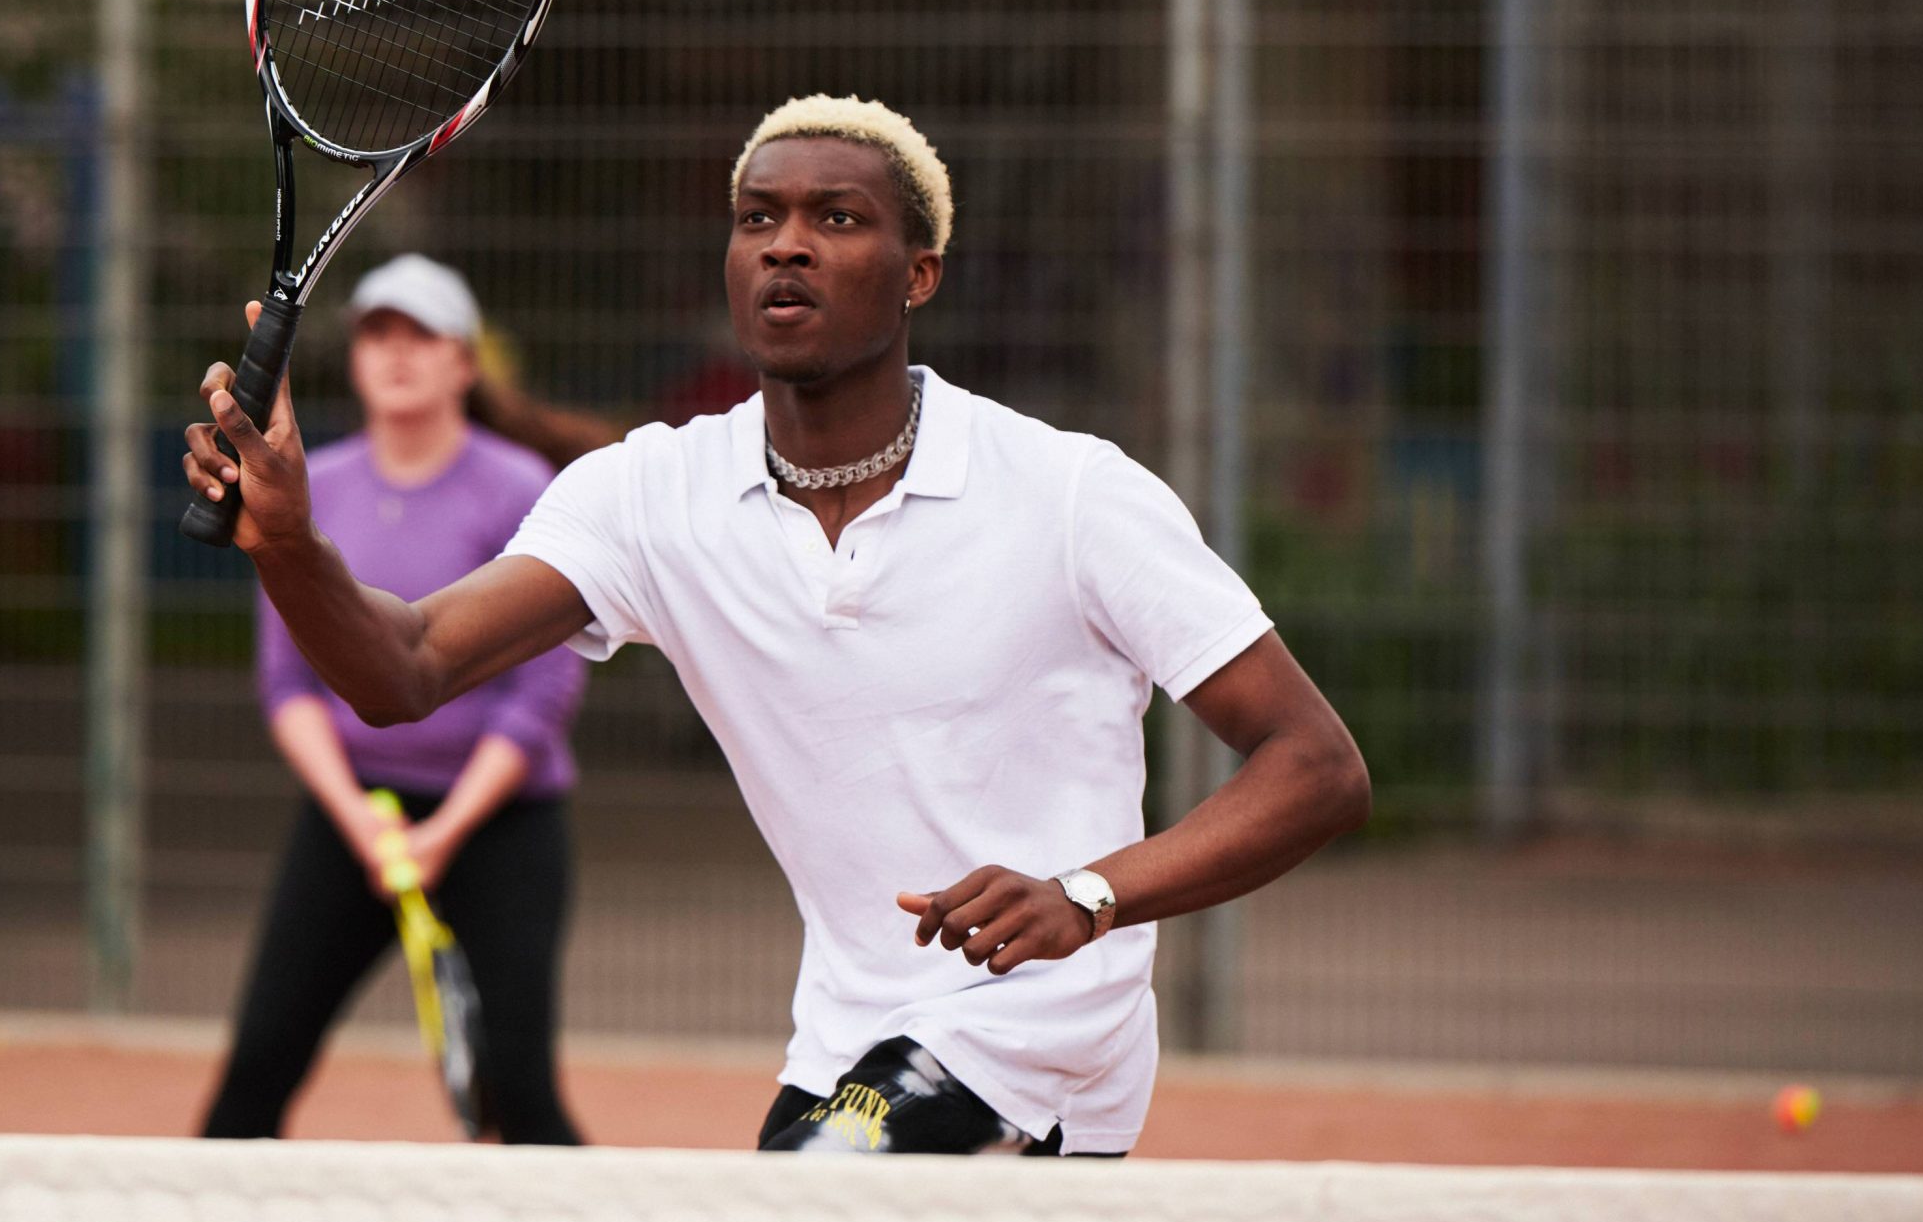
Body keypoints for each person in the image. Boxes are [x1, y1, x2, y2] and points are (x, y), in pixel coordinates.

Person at [183, 96, 1370, 1157]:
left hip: (1040, 1034)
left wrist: (1089, 894)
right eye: (757, 218)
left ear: (920, 274)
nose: (787, 241)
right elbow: (405, 667)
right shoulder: (650, 495)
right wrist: (286, 541)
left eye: (838, 218)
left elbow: (1315, 766)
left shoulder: (1069, 494)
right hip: (841, 1039)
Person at [199, 253, 586, 1147]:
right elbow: (287, 683)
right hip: (354, 818)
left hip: (502, 826)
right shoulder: (306, 487)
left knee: (521, 1095)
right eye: (379, 332)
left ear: (463, 363)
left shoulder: (522, 486)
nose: (397, 352)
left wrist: (443, 832)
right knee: (257, 1064)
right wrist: (366, 824)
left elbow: (543, 690)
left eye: (423, 334)